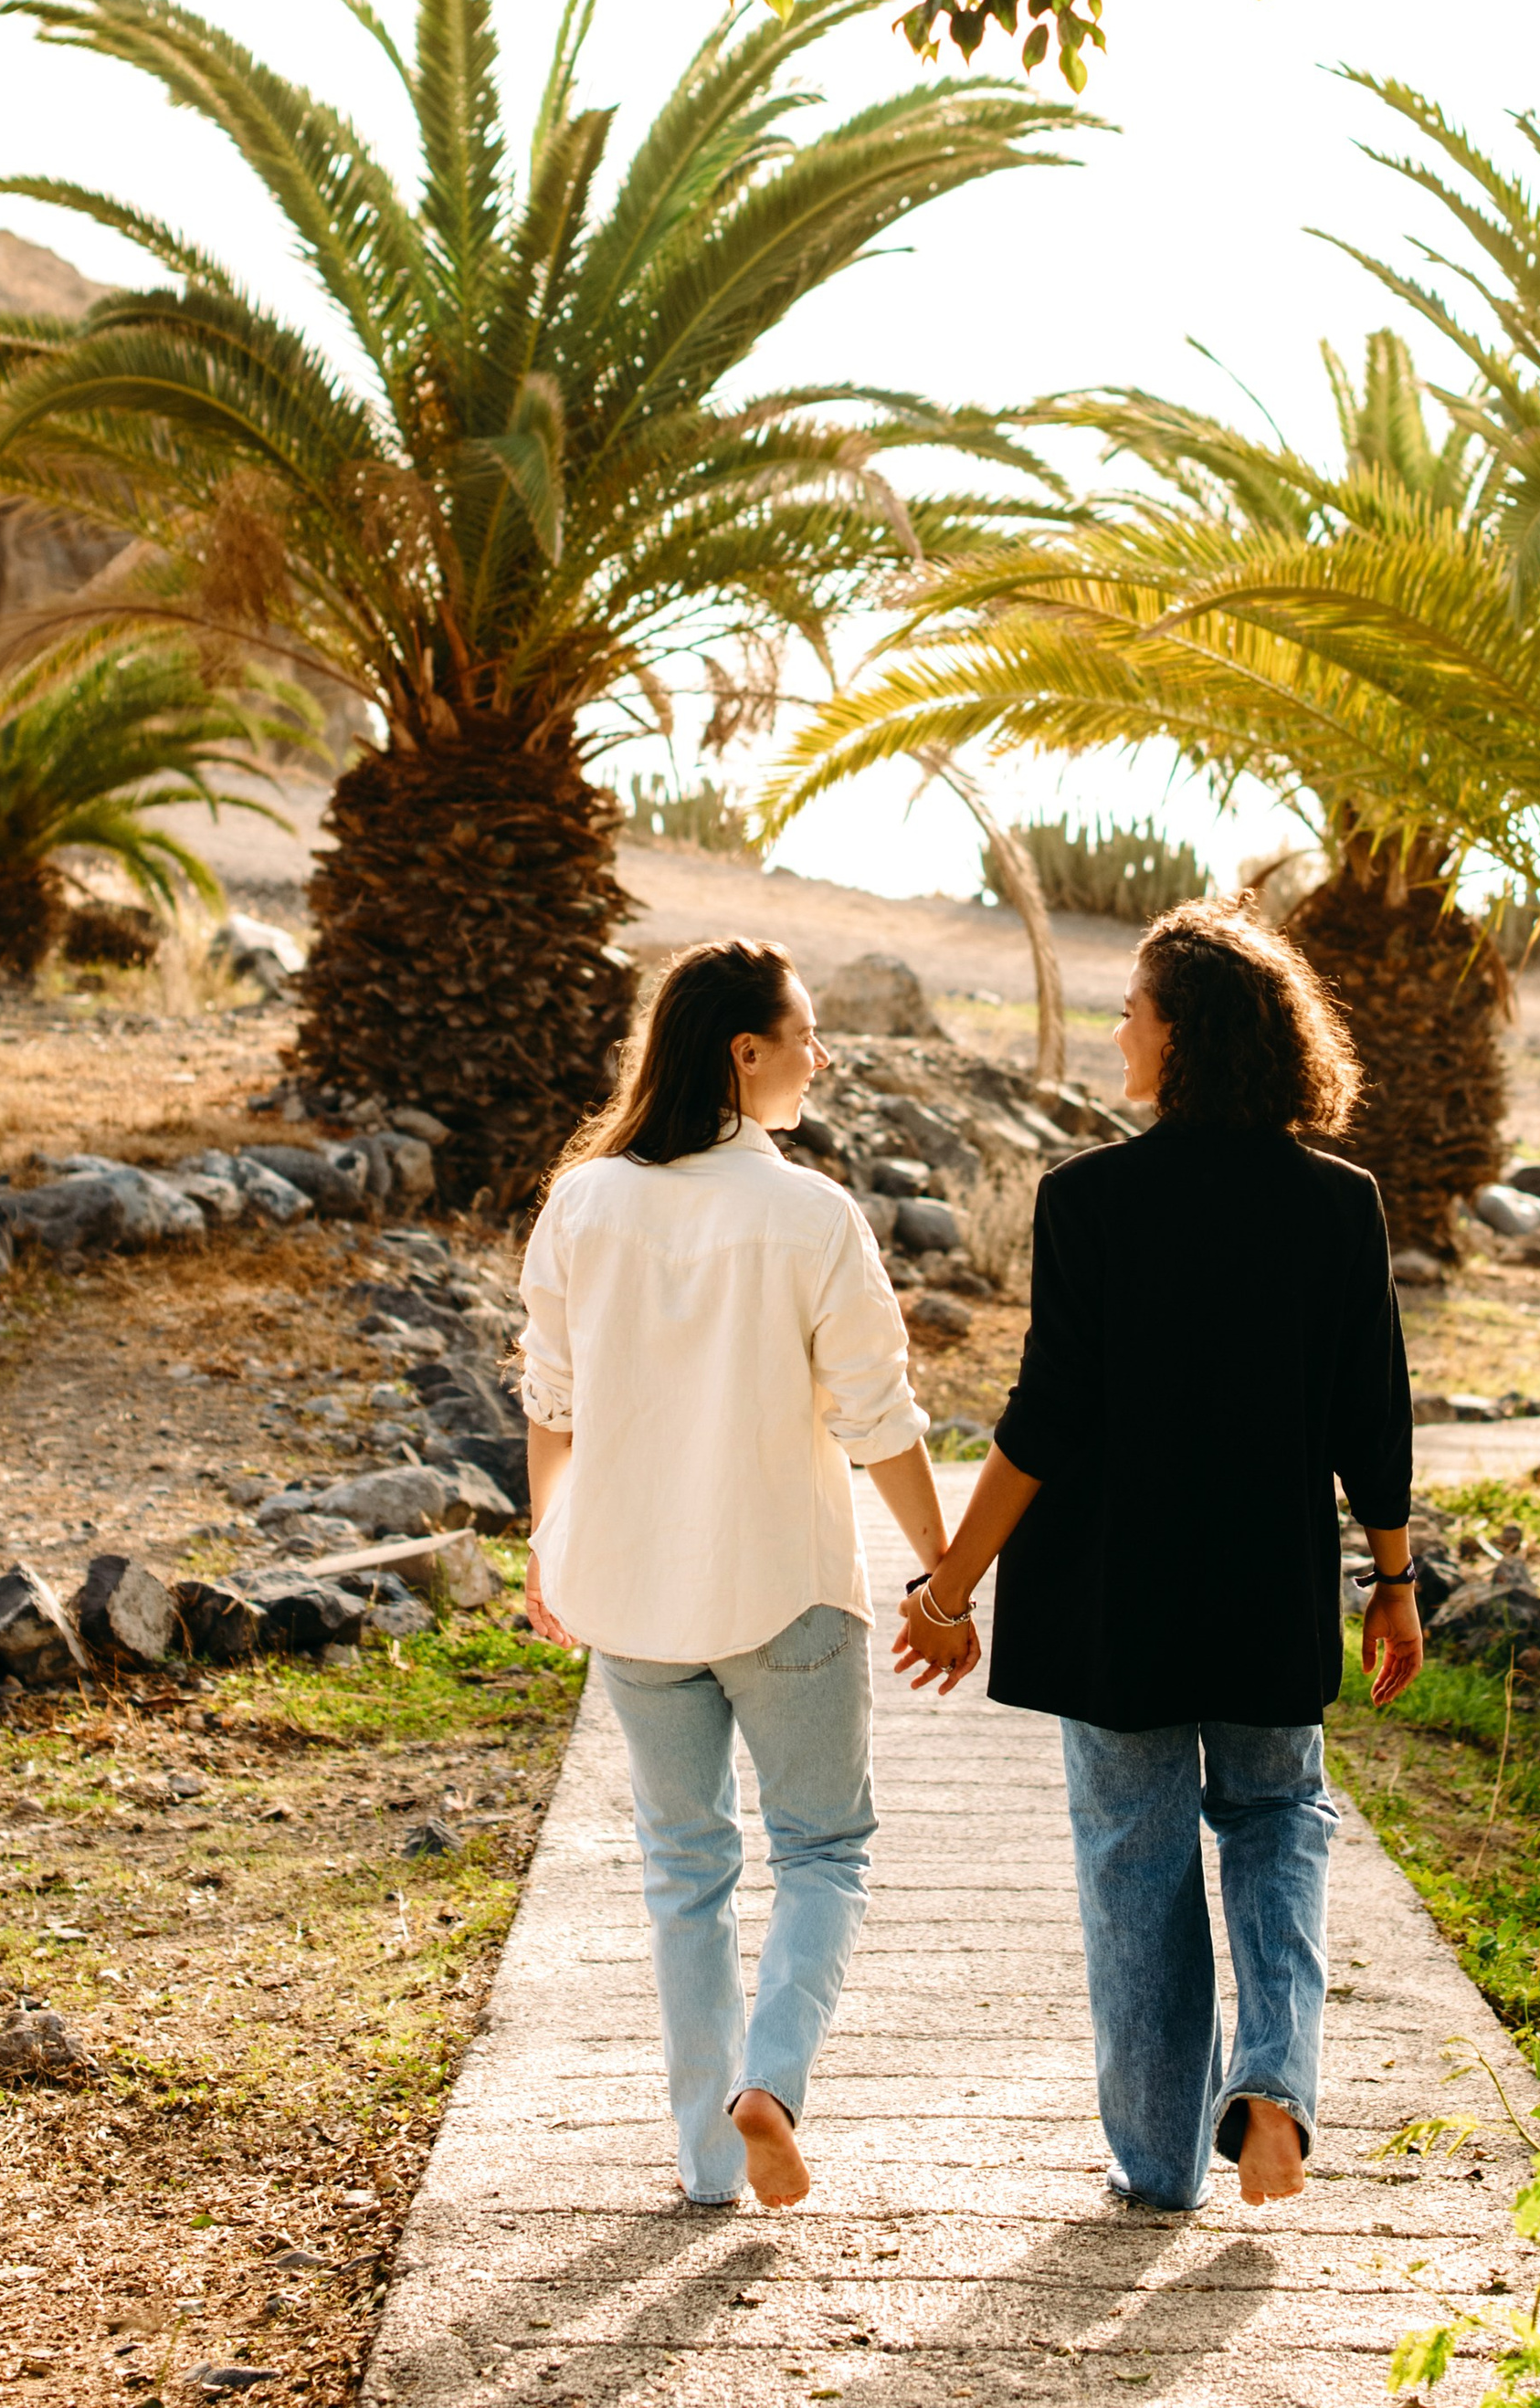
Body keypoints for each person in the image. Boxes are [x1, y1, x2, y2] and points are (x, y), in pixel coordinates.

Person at [892, 898, 1423, 2213]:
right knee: (1277, 1822)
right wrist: (1395, 1584)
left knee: (1134, 1860)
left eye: (1132, 1008)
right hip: (1266, 1588)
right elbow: (1376, 1411)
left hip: (1111, 1600)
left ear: (1179, 1035)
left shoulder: (1088, 1200)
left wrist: (951, 1583)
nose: (1116, 1029)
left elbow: (1046, 1419)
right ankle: (1277, 2090)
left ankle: (1155, 2170)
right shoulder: (1338, 1205)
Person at [518, 936, 970, 2213]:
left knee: (685, 1870)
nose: (819, 1059)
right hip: (789, 1589)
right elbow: (880, 1420)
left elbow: (550, 1403)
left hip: (633, 1597)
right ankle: (771, 2081)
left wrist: (546, 1550)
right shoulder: (811, 1215)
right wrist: (945, 1573)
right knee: (823, 1850)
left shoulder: (581, 1203)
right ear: (744, 1050)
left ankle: (709, 2166)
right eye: (806, 1034)